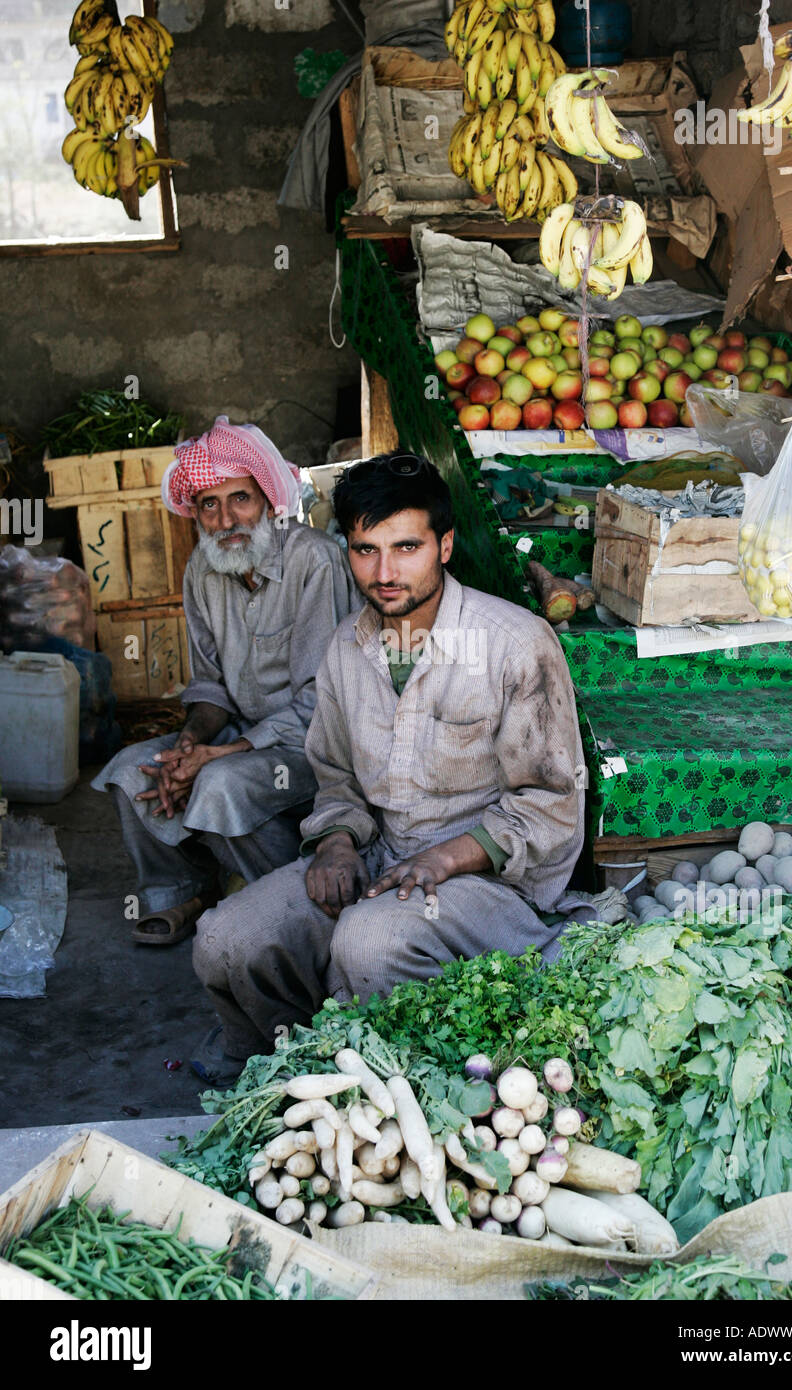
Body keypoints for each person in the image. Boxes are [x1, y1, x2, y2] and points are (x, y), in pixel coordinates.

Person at [192, 450, 596, 1084]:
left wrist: (444, 859)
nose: (384, 572)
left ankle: (398, 1085)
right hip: (381, 862)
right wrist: (336, 844)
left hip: (490, 886)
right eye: (365, 549)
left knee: (368, 941)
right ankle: (281, 1069)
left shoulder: (514, 644)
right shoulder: (345, 649)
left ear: (445, 545)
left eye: (406, 547)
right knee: (227, 938)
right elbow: (335, 776)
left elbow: (549, 803)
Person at [92, 416, 357, 946]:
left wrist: (222, 755)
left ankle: (292, 906)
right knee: (132, 771)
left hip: (315, 746)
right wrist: (190, 743)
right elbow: (210, 686)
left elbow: (324, 703)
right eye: (209, 505)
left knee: (221, 784)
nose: (226, 518)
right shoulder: (203, 570)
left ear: (266, 499)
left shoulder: (315, 562)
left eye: (239, 498)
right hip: (239, 733)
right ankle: (188, 892)